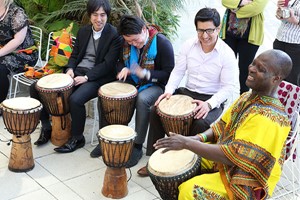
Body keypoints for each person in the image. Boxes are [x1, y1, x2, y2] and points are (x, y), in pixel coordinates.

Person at [154, 49, 292, 199]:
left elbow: (233, 156)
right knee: (181, 159)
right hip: (230, 158)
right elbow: (221, 126)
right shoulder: (247, 96)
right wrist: (198, 138)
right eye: (253, 63)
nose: (252, 68)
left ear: (275, 79)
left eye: (261, 69)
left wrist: (187, 143)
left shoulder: (269, 119)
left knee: (189, 190)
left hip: (247, 178)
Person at [137, 7, 240, 176]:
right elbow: (178, 71)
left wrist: (209, 104)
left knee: (200, 123)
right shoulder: (188, 45)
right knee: (156, 110)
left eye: (209, 31)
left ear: (218, 28)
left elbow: (229, 87)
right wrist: (169, 91)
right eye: (200, 30)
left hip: (211, 98)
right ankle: (155, 159)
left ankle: (187, 165)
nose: (205, 36)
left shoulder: (227, 54)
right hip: (187, 92)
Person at [30, 0, 122, 153]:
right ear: (89, 15)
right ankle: (46, 126)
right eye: (95, 15)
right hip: (77, 71)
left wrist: (86, 77)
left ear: (107, 16)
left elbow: (108, 64)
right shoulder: (83, 31)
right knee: (36, 87)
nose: (99, 19)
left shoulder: (114, 35)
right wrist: (70, 69)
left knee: (76, 99)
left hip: (98, 77)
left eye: (102, 15)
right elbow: (75, 54)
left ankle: (77, 137)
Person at [90, 15, 175, 168]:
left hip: (155, 84)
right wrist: (122, 67)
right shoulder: (125, 42)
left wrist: (146, 74)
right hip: (132, 80)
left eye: (136, 40)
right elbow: (119, 61)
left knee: (142, 99)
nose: (134, 44)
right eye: (130, 42)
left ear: (144, 30)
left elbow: (169, 73)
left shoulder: (162, 43)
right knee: (105, 94)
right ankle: (106, 136)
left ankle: (137, 145)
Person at [220, 0, 269, 94]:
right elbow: (225, 1)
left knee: (245, 69)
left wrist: (235, 8)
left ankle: (243, 97)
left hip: (250, 37)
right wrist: (241, 2)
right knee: (223, 64)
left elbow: (256, 8)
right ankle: (221, 95)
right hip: (229, 32)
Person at [0, 0, 38, 105]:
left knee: (1, 67)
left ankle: (1, 104)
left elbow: (18, 40)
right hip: (5, 51)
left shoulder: (16, 12)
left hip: (24, 53)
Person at [274, 0, 300, 86]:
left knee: (291, 80)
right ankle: (273, 99)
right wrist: (280, 12)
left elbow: (294, 18)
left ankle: (289, 99)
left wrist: (295, 21)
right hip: (280, 39)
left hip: (296, 43)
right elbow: (284, 15)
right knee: (275, 75)